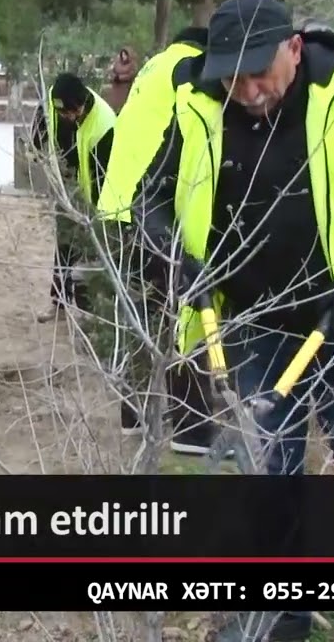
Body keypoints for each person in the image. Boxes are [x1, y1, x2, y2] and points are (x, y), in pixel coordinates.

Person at [132, 0, 334, 642]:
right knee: (270, 475)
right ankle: (281, 615)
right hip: (254, 328)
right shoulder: (201, 105)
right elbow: (151, 200)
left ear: (294, 48)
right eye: (233, 74)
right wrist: (180, 263)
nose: (246, 89)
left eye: (259, 72)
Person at [91, 26, 208, 438]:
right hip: (149, 210)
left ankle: (134, 417)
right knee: (181, 315)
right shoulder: (190, 69)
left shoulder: (154, 68)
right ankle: (191, 426)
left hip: (116, 208)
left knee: (137, 316)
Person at [30, 73, 116, 323]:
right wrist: (37, 148)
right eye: (63, 113)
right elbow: (42, 125)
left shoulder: (105, 125)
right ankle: (58, 304)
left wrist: (96, 214)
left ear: (82, 104)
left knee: (92, 254)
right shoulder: (54, 103)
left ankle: (94, 316)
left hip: (94, 194)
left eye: (71, 113)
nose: (67, 117)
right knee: (64, 246)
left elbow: (104, 177)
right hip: (67, 185)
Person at [102, 47, 138, 112]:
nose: (124, 56)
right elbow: (113, 71)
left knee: (123, 105)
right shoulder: (118, 63)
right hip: (116, 86)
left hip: (125, 87)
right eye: (122, 55)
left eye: (125, 55)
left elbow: (131, 74)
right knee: (114, 104)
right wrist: (114, 77)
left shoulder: (132, 65)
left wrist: (120, 77)